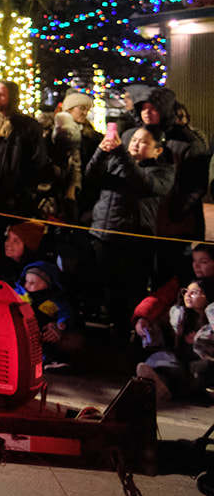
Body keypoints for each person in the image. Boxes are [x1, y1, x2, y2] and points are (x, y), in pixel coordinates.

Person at [87, 124, 175, 340]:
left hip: (135, 238)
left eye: (143, 142)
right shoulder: (117, 159)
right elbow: (91, 176)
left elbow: (141, 182)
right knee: (110, 287)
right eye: (134, 140)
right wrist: (101, 152)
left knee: (133, 289)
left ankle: (138, 336)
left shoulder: (163, 170)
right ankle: (116, 331)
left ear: (157, 150)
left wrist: (120, 153)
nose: (135, 144)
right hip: (103, 233)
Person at [0, 80, 49, 253]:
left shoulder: (27, 126)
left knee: (17, 242)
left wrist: (25, 190)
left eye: (1, 95)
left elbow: (38, 160)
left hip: (17, 196)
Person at [137, 278, 214, 402]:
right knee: (163, 359)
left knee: (201, 368)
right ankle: (159, 386)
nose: (188, 295)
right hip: (181, 363)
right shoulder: (182, 316)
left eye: (194, 293)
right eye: (186, 291)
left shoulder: (210, 319)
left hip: (203, 368)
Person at [16, 260, 82, 369]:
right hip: (22, 328)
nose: (28, 285)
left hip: (44, 331)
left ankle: (50, 359)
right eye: (26, 281)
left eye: (33, 283)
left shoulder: (55, 300)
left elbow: (65, 312)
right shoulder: (19, 295)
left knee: (48, 337)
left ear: (47, 284)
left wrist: (62, 324)